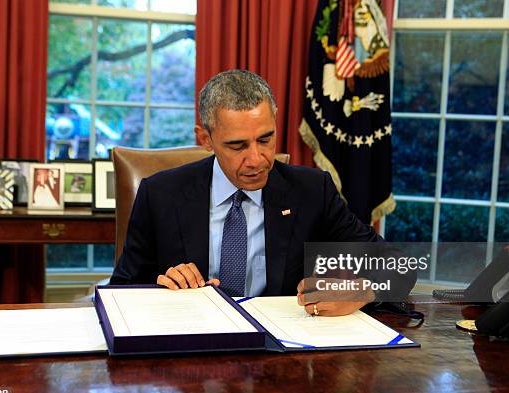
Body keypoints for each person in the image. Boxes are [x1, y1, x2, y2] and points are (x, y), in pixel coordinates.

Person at [111, 69, 414, 316]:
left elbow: (400, 270)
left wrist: (363, 290)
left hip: (283, 356)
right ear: (206, 139)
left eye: (266, 139)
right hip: (191, 352)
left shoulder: (312, 191)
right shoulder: (161, 194)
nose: (257, 159)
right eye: (237, 145)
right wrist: (162, 287)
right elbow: (119, 291)